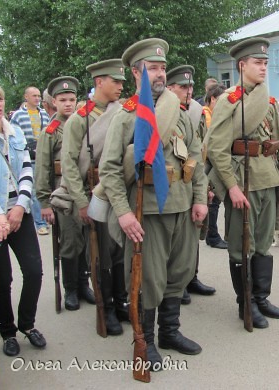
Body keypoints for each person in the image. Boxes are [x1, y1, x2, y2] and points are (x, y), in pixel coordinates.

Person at [100, 38, 208, 370]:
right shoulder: (126, 115)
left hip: (181, 205)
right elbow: (110, 170)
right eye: (152, 68)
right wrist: (122, 213)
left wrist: (201, 199)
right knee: (149, 278)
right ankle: (144, 340)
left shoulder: (180, 111)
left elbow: (195, 158)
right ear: (136, 72)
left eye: (162, 68)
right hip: (146, 210)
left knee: (179, 272)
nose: (159, 74)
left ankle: (169, 332)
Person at [206, 37, 279, 329]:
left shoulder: (269, 102)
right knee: (240, 247)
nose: (263, 68)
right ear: (242, 65)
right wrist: (232, 187)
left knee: (263, 244)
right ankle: (244, 303)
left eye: (265, 63)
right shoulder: (229, 101)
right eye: (257, 63)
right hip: (242, 181)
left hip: (268, 178)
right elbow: (217, 148)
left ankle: (261, 298)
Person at [60, 59, 128, 335]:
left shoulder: (123, 112)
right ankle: (106, 307)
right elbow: (69, 165)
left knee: (122, 251)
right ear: (99, 82)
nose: (121, 86)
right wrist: (82, 202)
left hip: (119, 193)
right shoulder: (79, 120)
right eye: (116, 81)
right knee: (102, 256)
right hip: (95, 195)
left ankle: (121, 302)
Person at [0, 82, 46, 357]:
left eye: (0, 98)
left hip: (18, 213)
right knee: (2, 278)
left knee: (34, 271)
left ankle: (27, 324)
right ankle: (7, 331)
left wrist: (21, 205)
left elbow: (26, 169)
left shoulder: (14, 133)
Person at [35, 76, 95, 311]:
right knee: (70, 242)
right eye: (63, 100)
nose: (68, 104)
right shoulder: (51, 131)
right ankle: (70, 289)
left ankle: (83, 285)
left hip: (85, 191)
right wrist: (44, 202)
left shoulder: (84, 125)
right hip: (63, 195)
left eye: (71, 99)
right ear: (54, 102)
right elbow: (43, 168)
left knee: (87, 241)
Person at [166, 65, 216, 304]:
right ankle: (177, 282)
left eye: (190, 87)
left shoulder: (195, 111)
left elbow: (201, 146)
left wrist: (203, 183)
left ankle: (191, 277)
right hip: (173, 181)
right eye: (182, 87)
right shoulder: (164, 113)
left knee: (193, 231)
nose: (188, 91)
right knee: (176, 239)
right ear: (170, 88)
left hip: (195, 174)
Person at [9, 86, 50, 235]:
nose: (37, 98)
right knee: (32, 190)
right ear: (26, 97)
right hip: (28, 158)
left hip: (43, 157)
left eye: (39, 96)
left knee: (44, 188)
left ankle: (44, 218)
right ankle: (40, 223)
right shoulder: (18, 116)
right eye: (34, 96)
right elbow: (13, 137)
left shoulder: (44, 114)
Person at [199, 83, 228, 249]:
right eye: (221, 100)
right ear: (212, 99)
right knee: (211, 201)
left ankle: (212, 234)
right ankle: (212, 235)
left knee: (215, 201)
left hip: (215, 162)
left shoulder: (218, 115)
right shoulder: (204, 115)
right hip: (206, 164)